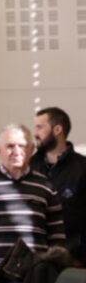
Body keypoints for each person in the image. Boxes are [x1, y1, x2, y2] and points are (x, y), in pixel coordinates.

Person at [0, 123, 66, 283]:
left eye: (22, 146)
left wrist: (55, 277)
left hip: (35, 280)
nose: (17, 151)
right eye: (10, 146)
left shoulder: (47, 188)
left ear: (31, 149)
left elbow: (57, 240)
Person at [32, 106, 86, 263]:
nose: (35, 134)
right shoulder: (29, 167)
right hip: (35, 260)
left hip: (75, 260)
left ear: (57, 129)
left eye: (40, 127)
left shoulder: (83, 168)